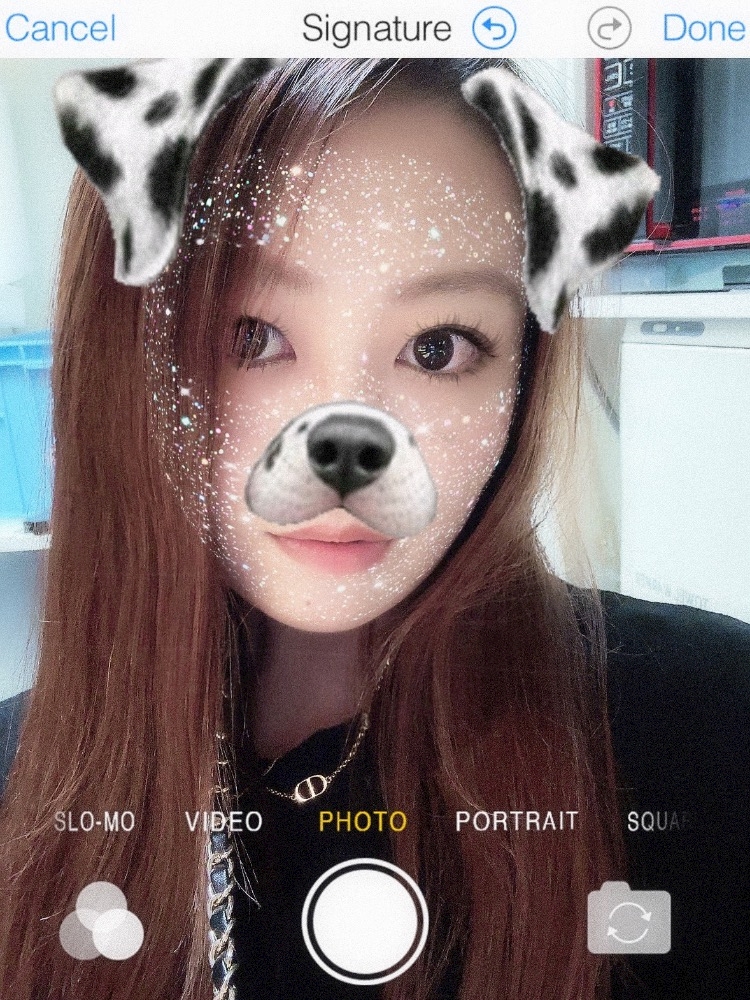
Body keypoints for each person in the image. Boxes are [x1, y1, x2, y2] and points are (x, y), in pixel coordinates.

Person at [0, 57, 748, 1000]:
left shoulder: (707, 727)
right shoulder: (21, 781)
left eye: (438, 349)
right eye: (249, 337)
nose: (350, 437)